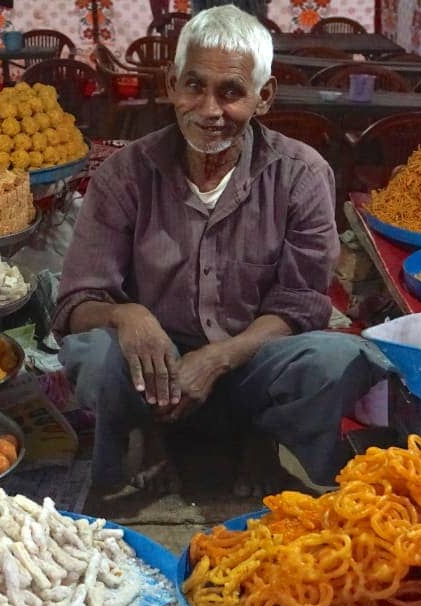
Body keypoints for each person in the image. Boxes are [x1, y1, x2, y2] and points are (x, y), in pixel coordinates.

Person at [53, 5, 388, 495]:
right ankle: (128, 462)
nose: (210, 110)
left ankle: (270, 452)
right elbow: (76, 302)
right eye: (194, 86)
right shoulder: (125, 174)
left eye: (231, 92)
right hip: (152, 371)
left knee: (335, 358)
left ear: (264, 97)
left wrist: (218, 358)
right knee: (93, 351)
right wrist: (128, 317)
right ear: (171, 85)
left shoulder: (301, 174)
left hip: (251, 364)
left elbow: (300, 304)